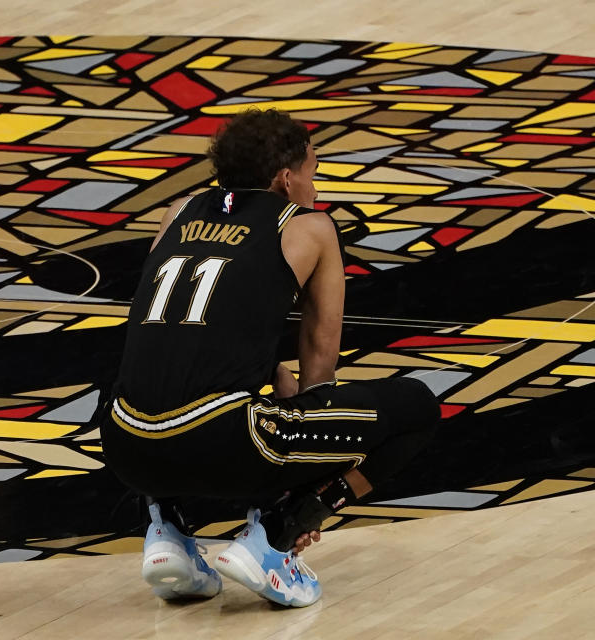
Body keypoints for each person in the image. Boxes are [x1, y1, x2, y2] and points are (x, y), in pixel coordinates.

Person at [99, 108, 440, 608]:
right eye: (313, 174)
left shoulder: (178, 212)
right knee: (415, 409)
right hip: (226, 445)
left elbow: (167, 331)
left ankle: (165, 530)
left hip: (125, 447)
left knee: (145, 380)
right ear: (285, 179)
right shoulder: (311, 227)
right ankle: (276, 538)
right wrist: (301, 490)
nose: (315, 190)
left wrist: (267, 372)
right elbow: (320, 370)